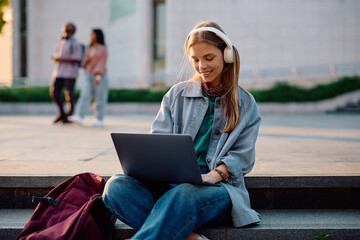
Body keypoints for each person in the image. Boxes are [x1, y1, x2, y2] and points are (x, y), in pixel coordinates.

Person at [102, 21, 261, 240]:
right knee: (115, 187)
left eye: (209, 58)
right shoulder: (176, 95)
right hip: (171, 186)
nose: (201, 66)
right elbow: (158, 143)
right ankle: (189, 237)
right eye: (195, 59)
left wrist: (212, 176)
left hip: (219, 190)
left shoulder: (245, 103)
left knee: (183, 193)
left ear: (227, 55)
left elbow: (243, 157)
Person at [71, 29, 108, 127]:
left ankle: (99, 118)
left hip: (99, 76)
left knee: (99, 98)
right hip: (88, 75)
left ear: (98, 36)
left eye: (93, 34)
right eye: (90, 34)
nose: (91, 36)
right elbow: (84, 62)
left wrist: (98, 75)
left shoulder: (103, 48)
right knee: (84, 95)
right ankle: (80, 116)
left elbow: (102, 63)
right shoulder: (89, 48)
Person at [50, 22, 82, 124]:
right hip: (59, 72)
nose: (66, 30)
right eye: (65, 28)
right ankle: (62, 113)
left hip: (70, 73)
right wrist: (56, 59)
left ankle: (69, 115)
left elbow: (77, 58)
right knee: (54, 92)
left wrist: (62, 59)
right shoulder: (60, 42)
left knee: (69, 94)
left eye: (69, 28)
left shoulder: (75, 43)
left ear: (73, 30)